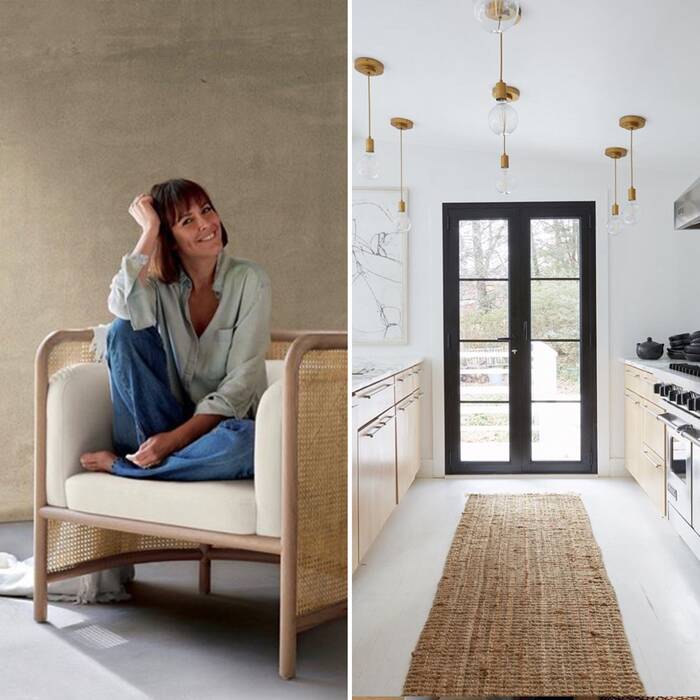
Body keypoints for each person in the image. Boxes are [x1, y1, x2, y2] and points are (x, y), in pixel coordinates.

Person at [79, 179, 271, 480]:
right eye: (188, 221)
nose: (207, 224)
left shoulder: (249, 280)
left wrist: (174, 441)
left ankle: (125, 467)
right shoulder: (157, 288)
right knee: (123, 331)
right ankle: (156, 458)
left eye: (207, 210)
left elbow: (240, 384)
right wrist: (149, 231)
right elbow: (122, 306)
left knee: (250, 443)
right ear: (169, 239)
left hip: (217, 430)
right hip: (156, 424)